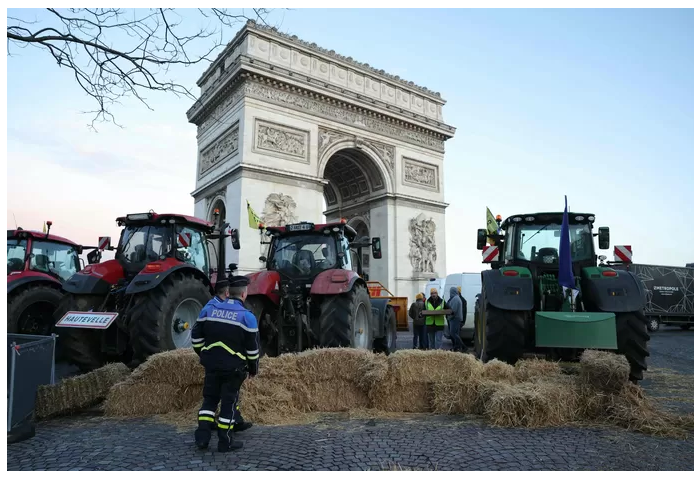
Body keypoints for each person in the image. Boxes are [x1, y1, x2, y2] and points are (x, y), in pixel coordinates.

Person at [191, 275, 260, 452]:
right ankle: (225, 442)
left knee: (209, 402)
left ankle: (202, 439)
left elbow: (196, 338)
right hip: (233, 369)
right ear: (244, 294)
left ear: (229, 293)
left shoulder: (210, 310)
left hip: (212, 365)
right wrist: (253, 369)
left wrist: (204, 354)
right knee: (228, 404)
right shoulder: (247, 317)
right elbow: (252, 350)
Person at [447, 286, 467, 352]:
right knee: (455, 333)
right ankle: (456, 347)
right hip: (456, 318)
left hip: (455, 319)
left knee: (453, 333)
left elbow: (453, 310)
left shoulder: (455, 299)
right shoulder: (456, 298)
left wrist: (449, 317)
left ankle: (463, 346)